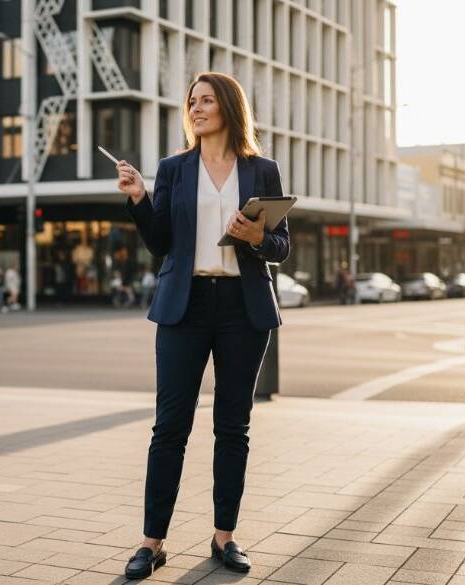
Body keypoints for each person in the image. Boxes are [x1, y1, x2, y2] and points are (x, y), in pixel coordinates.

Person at [115, 72, 290, 579]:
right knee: (169, 426)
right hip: (183, 307)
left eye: (207, 100)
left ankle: (224, 538)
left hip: (243, 308)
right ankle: (151, 543)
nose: (196, 108)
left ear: (229, 108)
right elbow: (160, 241)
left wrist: (258, 235)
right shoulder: (174, 168)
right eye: (192, 101)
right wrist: (138, 198)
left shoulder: (262, 170)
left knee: (232, 427)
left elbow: (281, 248)